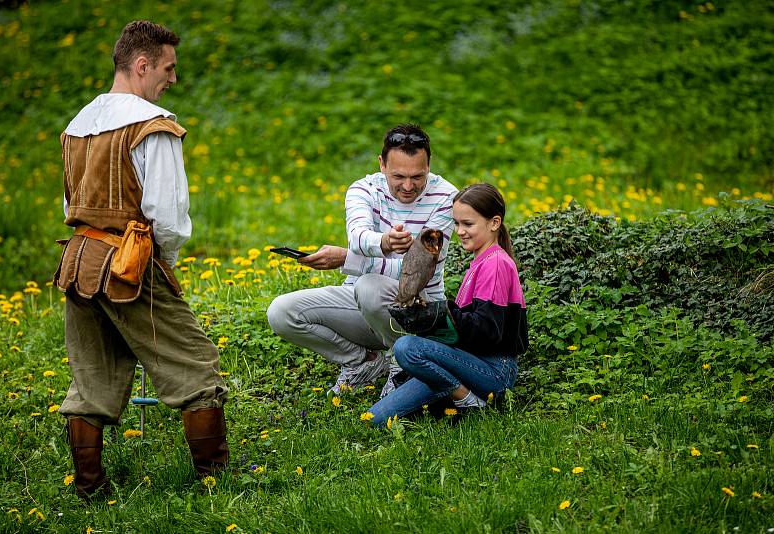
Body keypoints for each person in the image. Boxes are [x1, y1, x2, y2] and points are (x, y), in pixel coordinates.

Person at [54, 21, 228, 499]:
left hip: (79, 262)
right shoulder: (155, 127)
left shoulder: (76, 125)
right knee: (196, 367)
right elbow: (166, 217)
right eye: (168, 68)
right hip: (130, 265)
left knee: (93, 378)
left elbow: (71, 208)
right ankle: (216, 484)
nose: (173, 79)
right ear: (142, 64)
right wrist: (162, 267)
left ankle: (90, 486)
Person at [267, 124, 457, 395]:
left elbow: (417, 273)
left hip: (418, 312)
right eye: (398, 176)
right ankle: (362, 363)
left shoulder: (447, 197)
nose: (408, 186)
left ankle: (404, 364)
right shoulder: (363, 189)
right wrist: (384, 242)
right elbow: (357, 236)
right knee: (282, 312)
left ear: (429, 165)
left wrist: (348, 259)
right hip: (361, 304)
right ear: (381, 164)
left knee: (369, 286)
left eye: (417, 176)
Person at [368, 183, 528, 426]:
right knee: (376, 419)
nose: (460, 231)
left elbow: (488, 331)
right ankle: (452, 399)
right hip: (465, 364)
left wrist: (443, 312)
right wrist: (429, 321)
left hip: (494, 370)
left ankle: (468, 401)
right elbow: (465, 330)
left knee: (406, 347)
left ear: (494, 223)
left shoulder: (495, 264)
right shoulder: (480, 262)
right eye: (457, 223)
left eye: (468, 224)